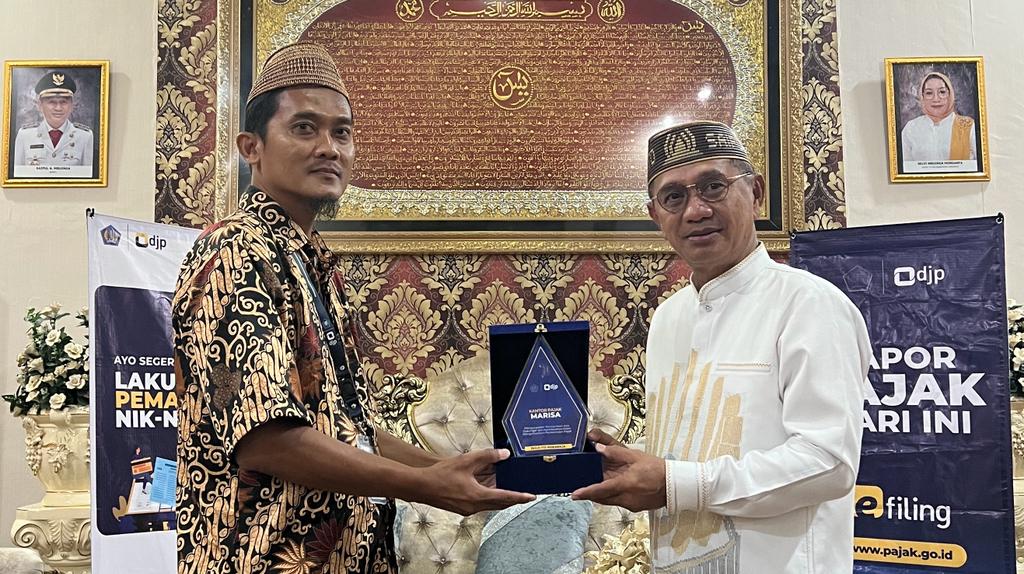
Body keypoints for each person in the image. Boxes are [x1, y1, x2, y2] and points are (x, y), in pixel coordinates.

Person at [171, 42, 533, 574]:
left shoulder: (313, 260)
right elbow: (266, 440)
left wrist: (450, 470)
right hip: (260, 559)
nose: (329, 148)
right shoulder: (235, 251)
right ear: (252, 147)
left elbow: (345, 425)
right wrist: (427, 486)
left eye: (342, 132)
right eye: (304, 128)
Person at [572, 121, 870, 573]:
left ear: (755, 193)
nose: (695, 210)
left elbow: (828, 463)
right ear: (656, 216)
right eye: (674, 197)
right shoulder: (669, 317)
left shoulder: (809, 304)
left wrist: (674, 484)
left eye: (713, 187)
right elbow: (698, 447)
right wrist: (627, 463)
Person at [12, 70, 93, 167]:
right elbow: (18, 173)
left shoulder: (85, 137)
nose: (58, 108)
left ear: (72, 105)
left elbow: (88, 174)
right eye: (52, 102)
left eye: (63, 102)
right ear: (40, 105)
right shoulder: (25, 136)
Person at [900, 71, 977, 165]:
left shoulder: (968, 126)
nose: (936, 99)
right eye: (929, 93)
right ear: (922, 96)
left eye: (942, 92)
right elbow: (905, 167)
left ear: (950, 94)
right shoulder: (911, 128)